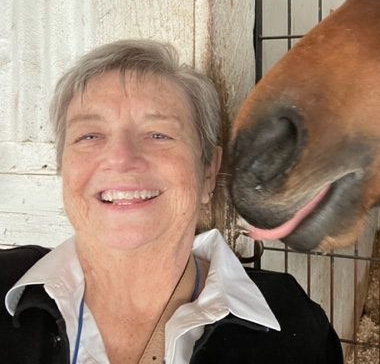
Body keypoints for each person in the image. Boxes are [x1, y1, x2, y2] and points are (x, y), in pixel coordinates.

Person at [0, 39, 343, 364]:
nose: (121, 158)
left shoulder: (292, 328)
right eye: (89, 135)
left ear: (208, 171)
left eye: (158, 134)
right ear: (63, 166)